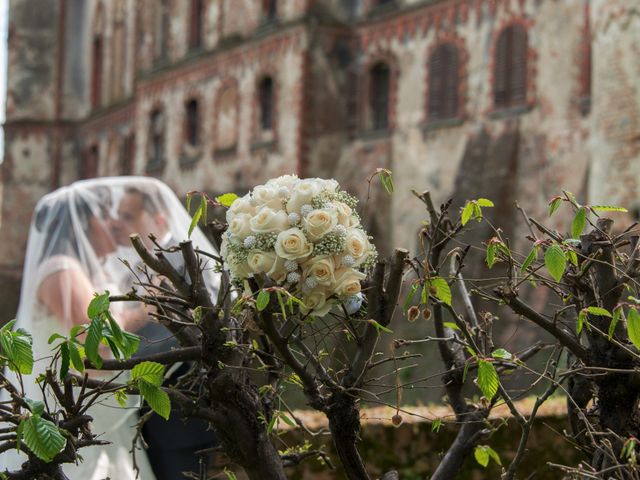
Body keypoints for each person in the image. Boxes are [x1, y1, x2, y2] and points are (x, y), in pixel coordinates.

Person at [0, 180, 156, 480]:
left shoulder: (88, 268)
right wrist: (148, 309)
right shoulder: (60, 269)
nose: (113, 224)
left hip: (98, 404)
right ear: (85, 222)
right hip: (67, 406)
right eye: (106, 216)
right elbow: (93, 335)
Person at [109, 180, 219, 480]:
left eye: (129, 216)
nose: (119, 224)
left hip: (182, 417)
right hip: (142, 416)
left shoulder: (188, 258)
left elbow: (211, 328)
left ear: (158, 220)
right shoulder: (131, 266)